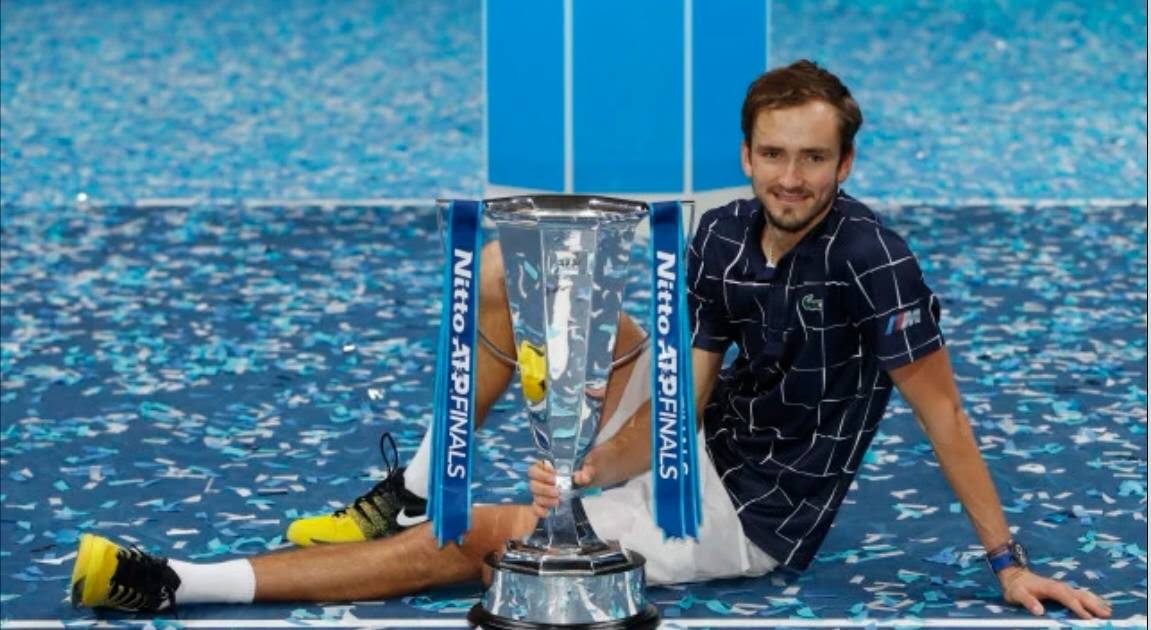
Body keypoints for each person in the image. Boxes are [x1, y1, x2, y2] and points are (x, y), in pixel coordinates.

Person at [69, 60, 1110, 620]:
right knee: (502, 276)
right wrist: (596, 462)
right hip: (691, 446)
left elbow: (943, 415)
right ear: (746, 155)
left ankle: (182, 582)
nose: (790, 178)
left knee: (485, 542)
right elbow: (685, 393)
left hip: (745, 515)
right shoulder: (721, 234)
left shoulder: (873, 260)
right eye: (772, 156)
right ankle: (419, 488)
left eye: (812, 159)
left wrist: (1006, 563)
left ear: (843, 164)